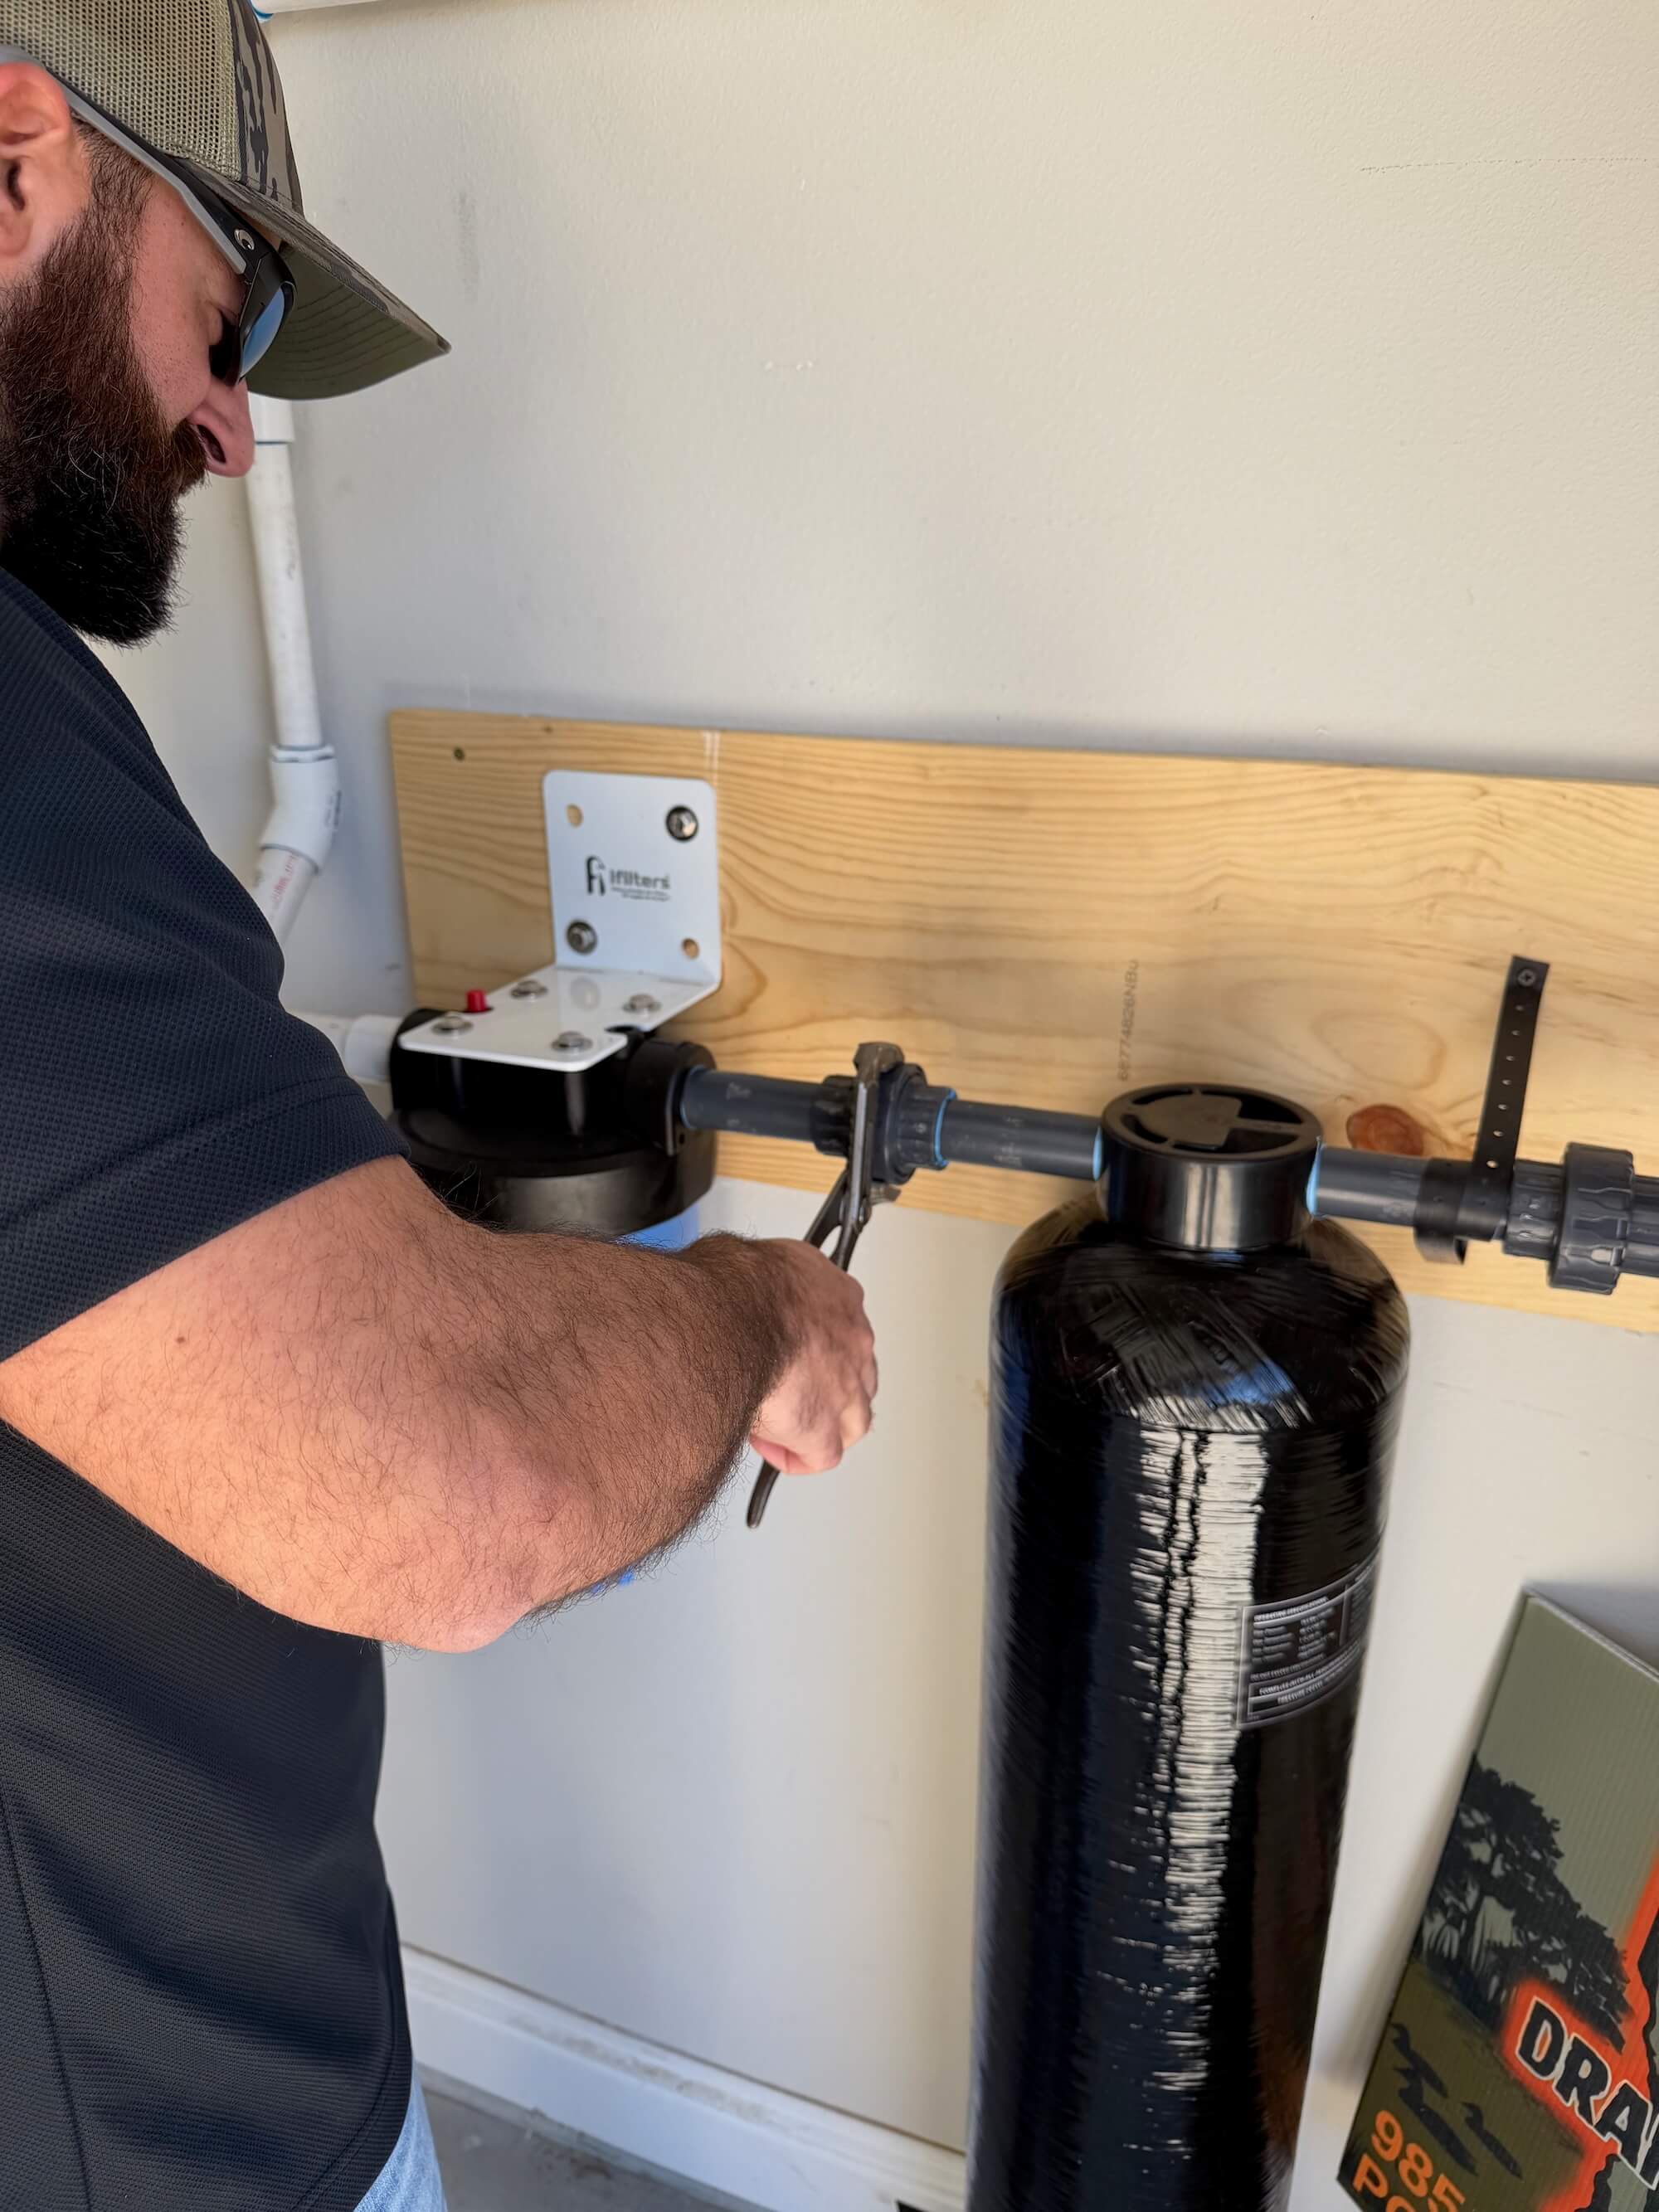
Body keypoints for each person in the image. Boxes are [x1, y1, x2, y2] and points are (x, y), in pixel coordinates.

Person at [0, 8, 878, 2210]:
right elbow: (446, 1487)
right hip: (168, 2132)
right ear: (20, 150)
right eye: (227, 311)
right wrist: (758, 1312)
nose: (229, 429)